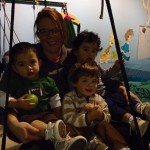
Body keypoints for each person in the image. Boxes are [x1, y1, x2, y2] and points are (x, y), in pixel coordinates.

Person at [0, 7, 86, 149]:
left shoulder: (76, 58)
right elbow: (2, 97)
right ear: (38, 34)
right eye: (43, 31)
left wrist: (120, 88)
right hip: (28, 123)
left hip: (67, 120)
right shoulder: (22, 59)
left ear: (63, 31)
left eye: (55, 30)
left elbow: (98, 80)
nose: (50, 35)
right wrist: (12, 123)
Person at [62, 30, 150, 150]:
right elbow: (74, 88)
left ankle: (141, 108)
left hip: (105, 92)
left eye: (93, 51)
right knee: (111, 104)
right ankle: (131, 121)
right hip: (98, 98)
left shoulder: (94, 65)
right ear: (76, 51)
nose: (90, 54)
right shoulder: (76, 69)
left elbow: (105, 76)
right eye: (86, 49)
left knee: (121, 97)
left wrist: (116, 67)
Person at [62, 62, 130, 150]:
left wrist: (100, 115)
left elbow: (107, 117)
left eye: (94, 81)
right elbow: (67, 118)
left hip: (97, 131)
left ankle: (120, 147)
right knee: (69, 128)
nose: (90, 84)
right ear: (75, 83)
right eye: (84, 81)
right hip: (79, 132)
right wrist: (87, 117)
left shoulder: (98, 98)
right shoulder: (69, 97)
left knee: (105, 125)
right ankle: (94, 145)